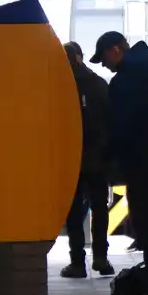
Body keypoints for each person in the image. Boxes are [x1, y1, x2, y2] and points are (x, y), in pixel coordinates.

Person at [91, 31, 148, 295]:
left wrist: (106, 158)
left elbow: (120, 129)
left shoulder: (126, 82)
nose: (104, 65)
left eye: (104, 59)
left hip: (142, 166)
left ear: (116, 50)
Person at [60, 42, 114, 278]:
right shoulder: (99, 84)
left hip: (72, 158)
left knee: (74, 210)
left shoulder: (61, 85)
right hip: (98, 158)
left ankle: (77, 262)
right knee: (99, 208)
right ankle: (101, 258)